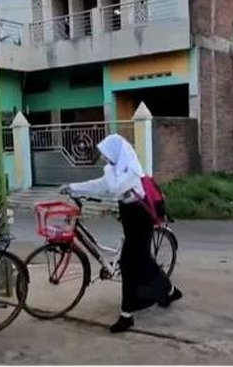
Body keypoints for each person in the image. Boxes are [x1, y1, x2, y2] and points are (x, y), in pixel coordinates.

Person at [61, 134, 182, 333]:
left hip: (141, 221)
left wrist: (108, 169)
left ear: (117, 154)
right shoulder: (118, 170)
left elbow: (113, 186)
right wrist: (73, 188)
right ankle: (170, 291)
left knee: (128, 263)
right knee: (143, 261)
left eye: (108, 156)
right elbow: (100, 185)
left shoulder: (131, 172)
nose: (106, 159)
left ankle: (126, 315)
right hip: (130, 219)